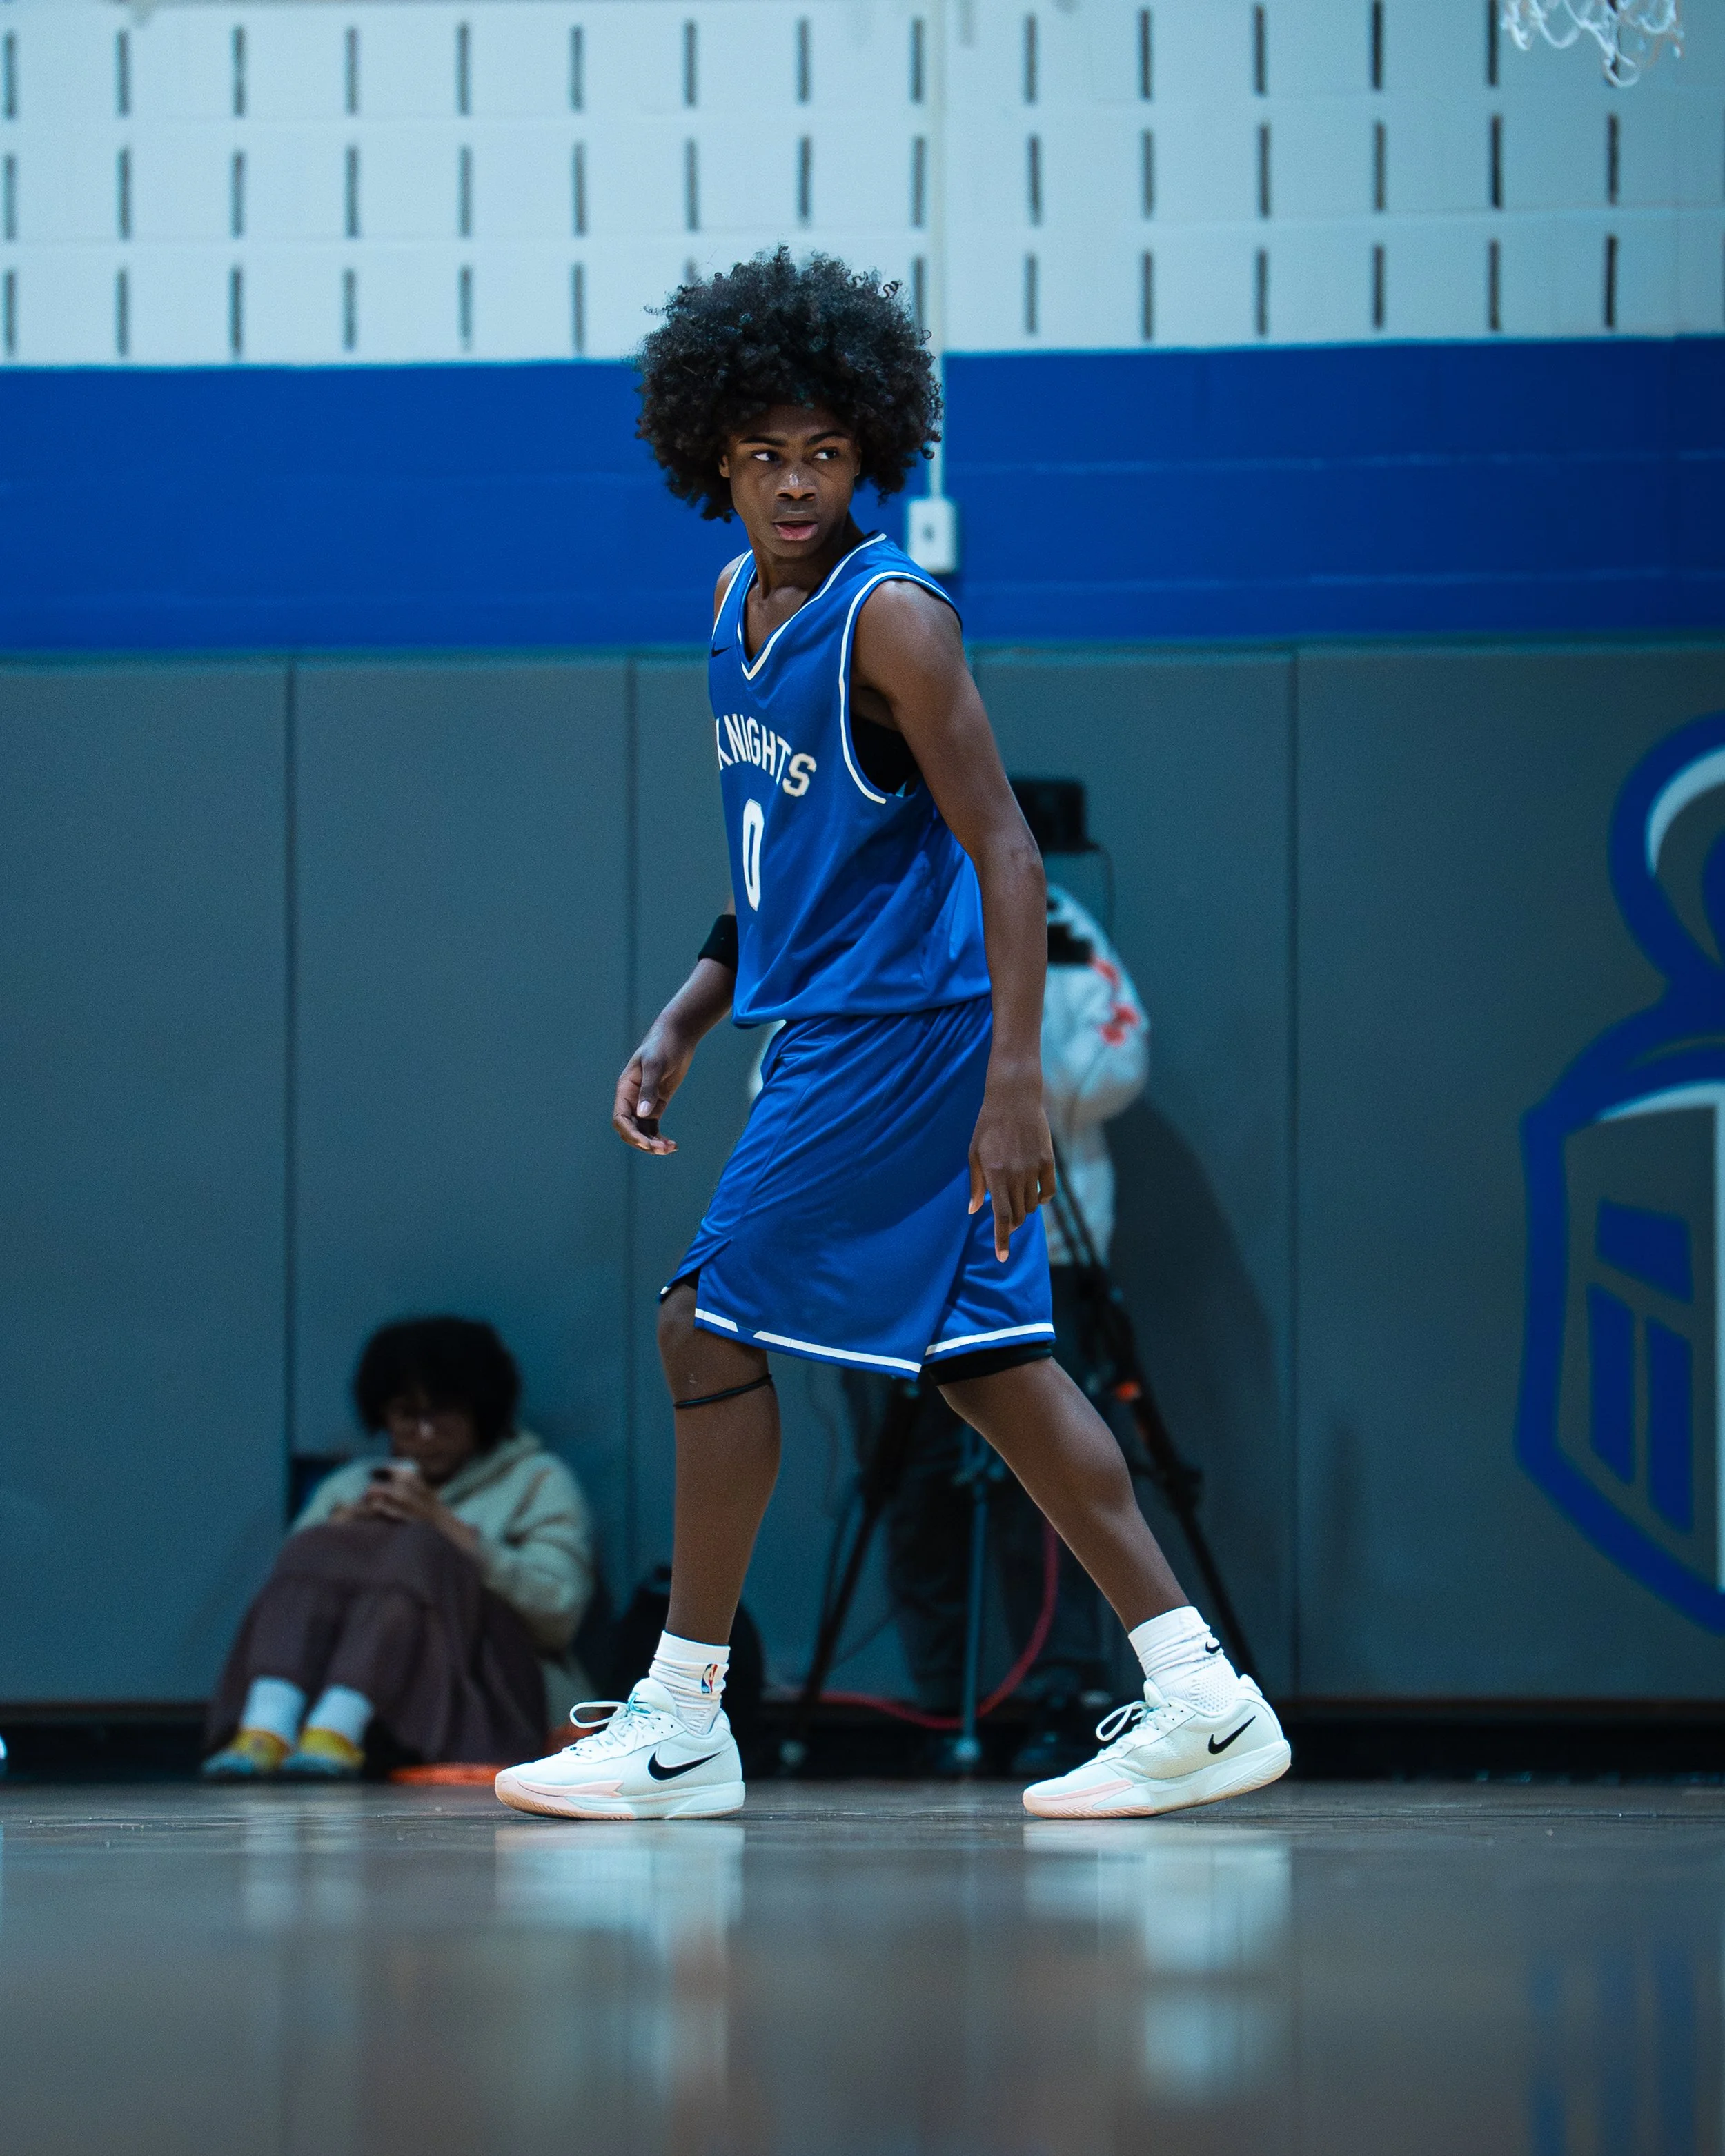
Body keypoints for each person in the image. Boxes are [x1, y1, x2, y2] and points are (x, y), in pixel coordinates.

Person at [494, 249, 1290, 1823]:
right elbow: (791, 871)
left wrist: (1017, 1081)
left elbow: (1006, 849)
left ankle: (681, 1721)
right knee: (994, 1367)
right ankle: (1204, 1694)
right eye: (766, 453)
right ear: (713, 457)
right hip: (832, 1021)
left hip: (907, 1038)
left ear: (871, 452)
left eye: (827, 452)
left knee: (703, 1324)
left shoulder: (895, 618)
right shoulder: (730, 609)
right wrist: (689, 1011)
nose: (797, 483)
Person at [884, 878, 1149, 1772]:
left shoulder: (1052, 908)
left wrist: (1007, 1079)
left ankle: (1065, 1689)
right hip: (896, 1254)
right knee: (916, 1482)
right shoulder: (871, 889)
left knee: (1043, 1474)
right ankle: (935, 1698)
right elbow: (786, 1062)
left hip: (1042, 1238)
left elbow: (1122, 1054)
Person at [205, 1316, 594, 1780]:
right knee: (320, 1542)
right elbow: (286, 1595)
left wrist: (446, 1529)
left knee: (418, 1546)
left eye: (443, 1413)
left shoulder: (536, 1480)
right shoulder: (352, 1486)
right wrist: (349, 1533)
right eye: (408, 1415)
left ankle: (337, 1729)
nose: (425, 1433)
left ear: (479, 1411)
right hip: (366, 1710)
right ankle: (268, 1727)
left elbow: (558, 1615)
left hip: (490, 1701)